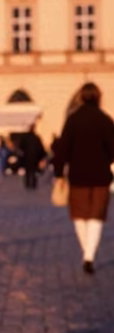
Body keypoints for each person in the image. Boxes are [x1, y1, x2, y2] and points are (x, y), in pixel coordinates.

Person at [54, 82, 114, 274]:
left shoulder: (73, 120)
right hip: (101, 176)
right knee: (96, 217)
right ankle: (89, 256)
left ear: (81, 97)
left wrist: (58, 173)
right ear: (98, 97)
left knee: (79, 216)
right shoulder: (105, 120)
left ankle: (86, 253)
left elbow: (62, 149)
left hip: (78, 175)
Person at [19, 125, 46, 189]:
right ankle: (33, 184)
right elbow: (40, 148)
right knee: (34, 171)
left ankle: (28, 183)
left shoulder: (25, 138)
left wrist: (22, 154)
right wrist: (41, 156)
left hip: (27, 157)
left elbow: (21, 147)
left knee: (28, 171)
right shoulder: (36, 138)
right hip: (35, 157)